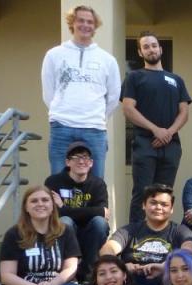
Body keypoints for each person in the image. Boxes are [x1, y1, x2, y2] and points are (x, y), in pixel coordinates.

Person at [41, 5, 120, 178]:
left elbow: (114, 96)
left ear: (95, 26)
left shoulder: (107, 60)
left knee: (96, 182)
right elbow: (48, 92)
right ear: (72, 23)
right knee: (57, 181)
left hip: (94, 128)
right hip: (61, 126)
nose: (86, 25)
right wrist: (61, 109)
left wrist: (97, 115)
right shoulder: (54, 55)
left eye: (90, 22)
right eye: (81, 20)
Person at [122, 31, 192, 223]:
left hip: (171, 146)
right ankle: (135, 241)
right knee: (142, 194)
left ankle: (160, 236)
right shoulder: (134, 77)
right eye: (146, 46)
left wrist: (168, 132)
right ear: (140, 52)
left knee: (164, 195)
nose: (151, 49)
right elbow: (128, 109)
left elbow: (184, 112)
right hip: (145, 144)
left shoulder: (176, 80)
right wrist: (155, 129)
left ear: (160, 49)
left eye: (154, 45)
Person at [100, 184, 192, 285]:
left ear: (171, 209)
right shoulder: (129, 230)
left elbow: (189, 251)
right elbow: (107, 250)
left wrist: (165, 266)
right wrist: (122, 267)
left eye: (164, 204)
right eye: (153, 203)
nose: (158, 207)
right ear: (144, 205)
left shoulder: (180, 231)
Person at [44, 141, 110, 281]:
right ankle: (67, 273)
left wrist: (64, 208)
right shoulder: (53, 182)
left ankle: (89, 275)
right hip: (65, 233)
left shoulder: (98, 184)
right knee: (64, 222)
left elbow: (103, 214)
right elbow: (53, 214)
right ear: (68, 162)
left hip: (90, 233)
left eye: (85, 157)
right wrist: (93, 211)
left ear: (91, 163)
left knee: (100, 223)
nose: (81, 161)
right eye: (76, 157)